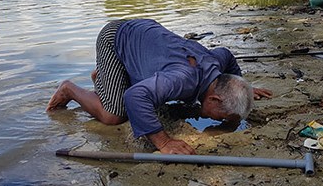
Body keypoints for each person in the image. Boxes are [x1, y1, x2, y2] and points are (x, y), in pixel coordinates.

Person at [47, 19, 272, 155]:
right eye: (223, 117)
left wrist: (243, 88)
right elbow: (135, 96)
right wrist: (164, 142)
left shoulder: (216, 63)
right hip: (114, 38)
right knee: (113, 116)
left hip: (144, 33)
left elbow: (227, 55)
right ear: (214, 100)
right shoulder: (183, 79)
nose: (221, 120)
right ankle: (70, 89)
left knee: (149, 89)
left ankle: (104, 80)